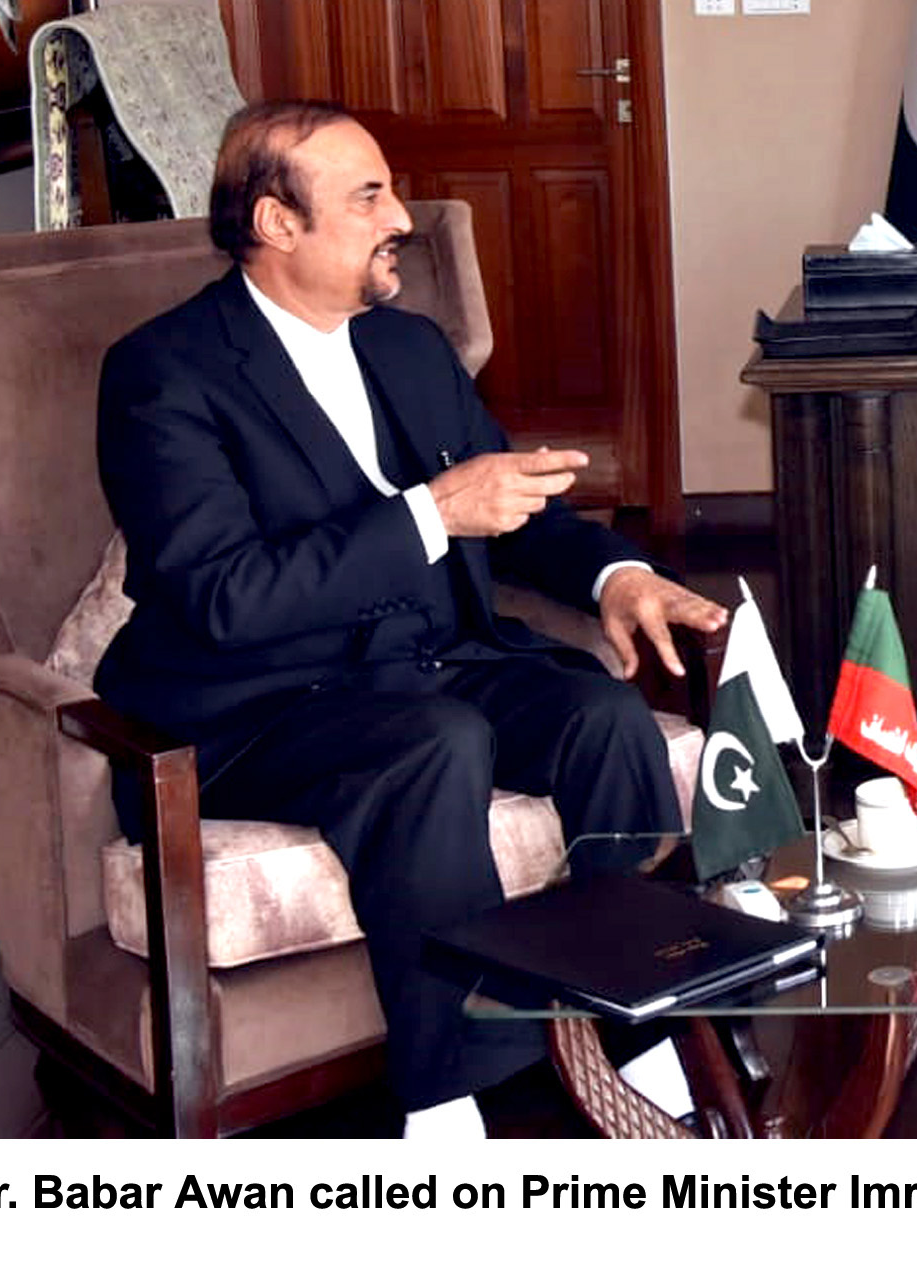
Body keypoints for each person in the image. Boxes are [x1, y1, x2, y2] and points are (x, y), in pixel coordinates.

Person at [94, 101, 727, 1137]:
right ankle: (447, 1107)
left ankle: (635, 1039)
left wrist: (615, 574)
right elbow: (220, 595)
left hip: (430, 660)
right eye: (368, 196)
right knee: (438, 744)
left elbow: (507, 511)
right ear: (276, 223)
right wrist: (430, 513)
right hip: (256, 702)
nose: (403, 216)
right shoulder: (164, 372)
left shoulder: (409, 346)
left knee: (602, 716)